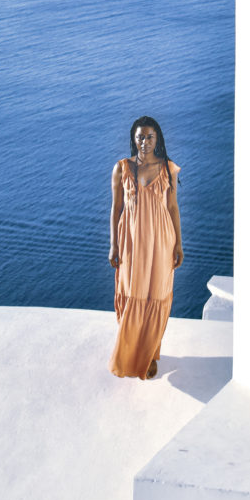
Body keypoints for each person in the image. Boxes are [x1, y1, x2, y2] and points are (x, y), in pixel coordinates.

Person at [108, 116, 183, 380]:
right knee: (133, 293)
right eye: (140, 137)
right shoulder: (121, 168)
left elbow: (173, 208)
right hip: (131, 242)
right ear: (133, 139)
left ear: (157, 139)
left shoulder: (168, 169)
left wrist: (179, 244)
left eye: (150, 137)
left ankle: (150, 353)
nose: (145, 142)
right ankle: (130, 353)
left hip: (162, 240)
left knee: (156, 295)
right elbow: (116, 209)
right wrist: (113, 245)